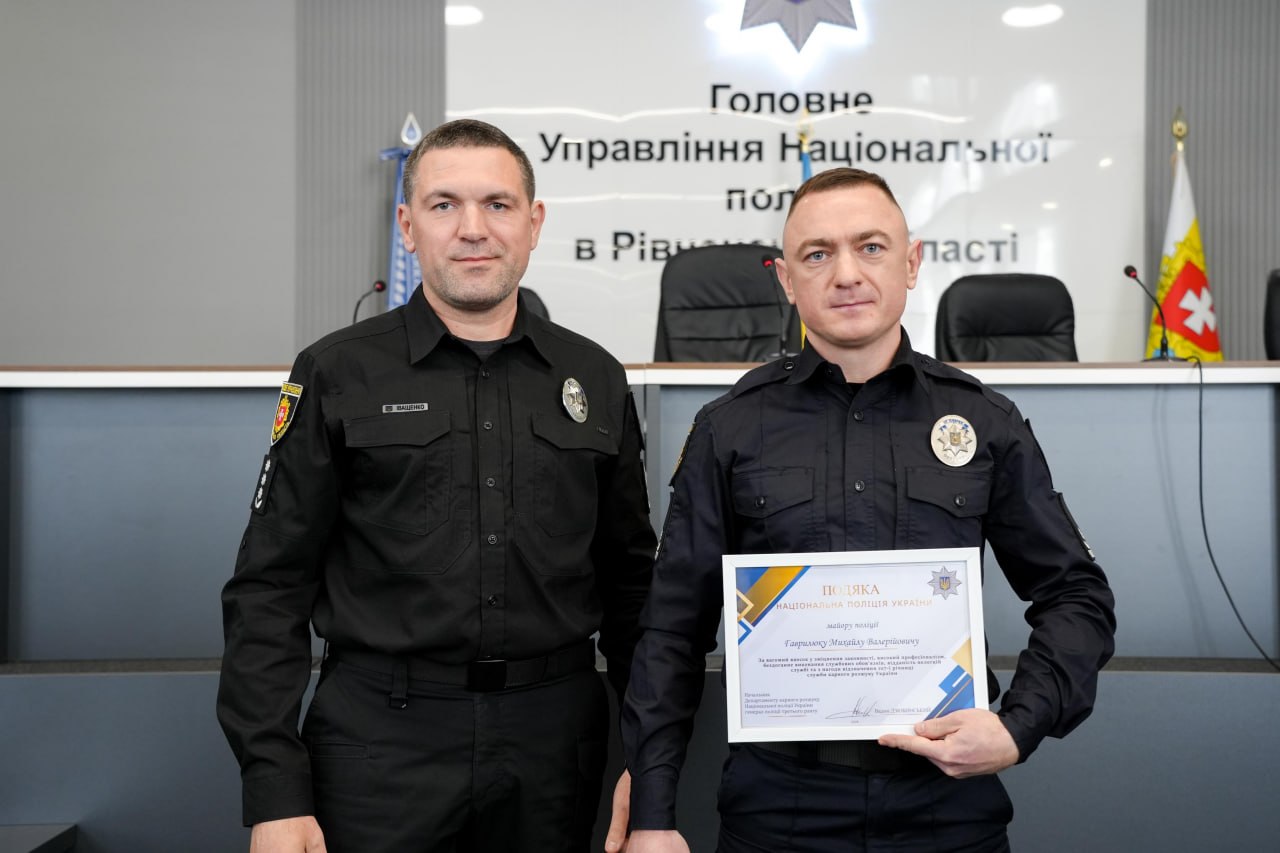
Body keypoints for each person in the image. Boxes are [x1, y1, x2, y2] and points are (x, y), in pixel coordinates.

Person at [612, 167, 1117, 852]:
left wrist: (1016, 726)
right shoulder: (728, 430)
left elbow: (1076, 595)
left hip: (946, 807)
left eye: (871, 247)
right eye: (817, 254)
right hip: (779, 808)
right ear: (787, 281)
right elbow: (672, 631)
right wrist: (653, 814)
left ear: (911, 263)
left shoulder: (982, 421)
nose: (846, 273)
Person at [217, 119, 657, 853]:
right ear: (408, 225)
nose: (473, 228)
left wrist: (653, 763)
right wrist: (275, 789)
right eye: (445, 204)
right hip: (379, 744)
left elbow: (633, 589)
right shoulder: (337, 372)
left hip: (554, 748)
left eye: (498, 204)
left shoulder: (595, 378)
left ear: (534, 223)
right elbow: (270, 587)